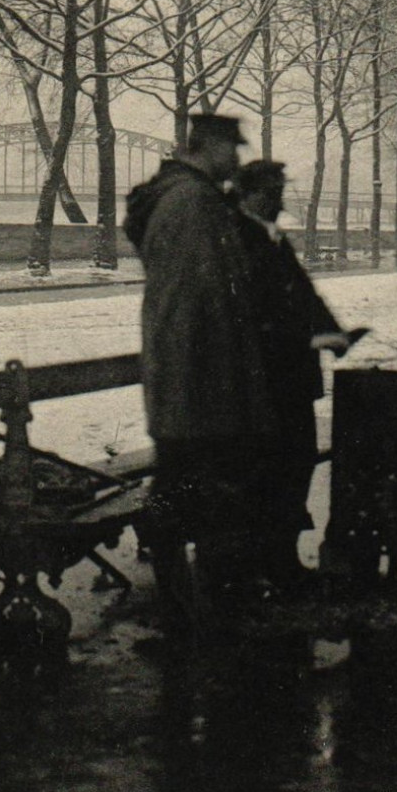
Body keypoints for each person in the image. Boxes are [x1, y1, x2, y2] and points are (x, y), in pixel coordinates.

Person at [124, 114, 277, 613]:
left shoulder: (185, 199)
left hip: (186, 371)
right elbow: (201, 299)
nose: (237, 161)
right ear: (207, 147)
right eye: (231, 150)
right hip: (198, 375)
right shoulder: (193, 204)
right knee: (193, 479)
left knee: (183, 476)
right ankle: (195, 605)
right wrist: (219, 378)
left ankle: (191, 595)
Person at [232, 159, 352, 590]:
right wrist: (306, 337)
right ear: (246, 194)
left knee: (295, 462)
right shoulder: (237, 240)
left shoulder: (272, 239)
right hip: (263, 381)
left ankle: (280, 558)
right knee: (271, 468)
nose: (278, 200)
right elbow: (248, 314)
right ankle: (263, 562)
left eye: (280, 191)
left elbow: (304, 294)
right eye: (269, 191)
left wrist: (331, 330)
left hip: (290, 379)